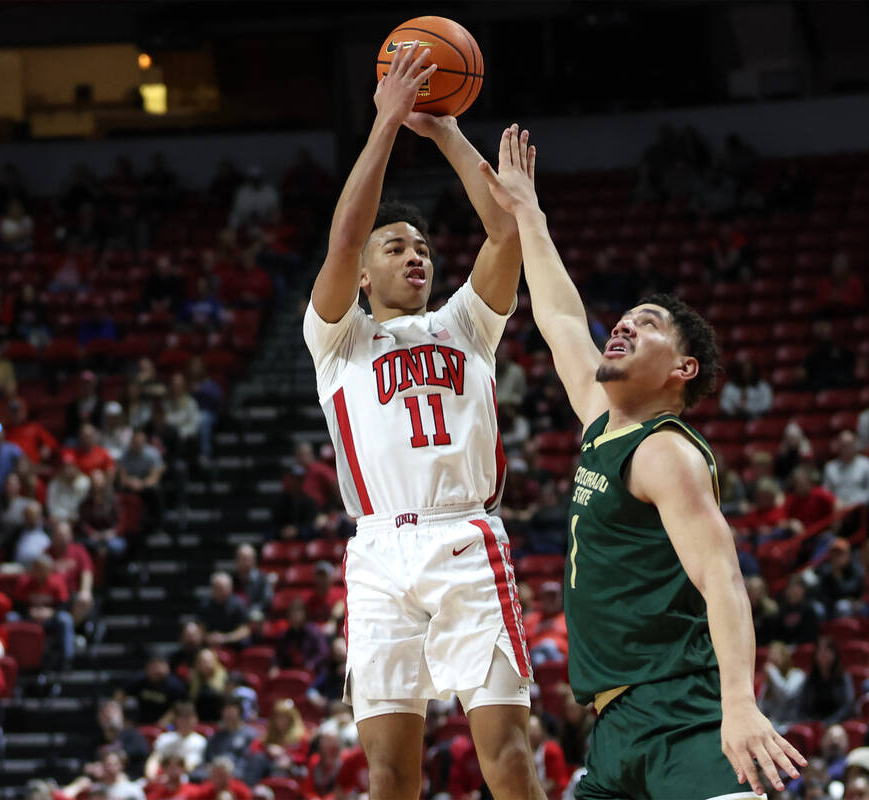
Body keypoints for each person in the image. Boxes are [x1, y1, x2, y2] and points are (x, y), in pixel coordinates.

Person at [480, 123, 803, 798]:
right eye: (624, 318)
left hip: (684, 714)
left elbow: (724, 581)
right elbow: (563, 318)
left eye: (647, 322)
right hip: (616, 725)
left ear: (682, 368)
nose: (623, 324)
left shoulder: (664, 453)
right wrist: (528, 212)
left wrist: (739, 705)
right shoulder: (605, 426)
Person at [299, 45, 542, 799]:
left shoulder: (466, 325)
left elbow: (507, 234)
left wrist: (441, 132)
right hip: (377, 550)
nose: (418, 258)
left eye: (425, 249)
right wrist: (384, 125)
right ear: (363, 276)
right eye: (397, 247)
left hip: (464, 535)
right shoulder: (338, 341)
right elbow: (344, 236)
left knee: (506, 757)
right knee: (390, 773)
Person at [144, 701, 207, 778]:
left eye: (188, 717)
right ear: (176, 720)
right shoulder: (165, 738)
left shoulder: (199, 741)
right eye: (181, 717)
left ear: (195, 719)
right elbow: (154, 759)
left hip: (185, 778)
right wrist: (151, 777)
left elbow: (190, 766)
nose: (185, 721)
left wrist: (170, 777)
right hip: (161, 777)